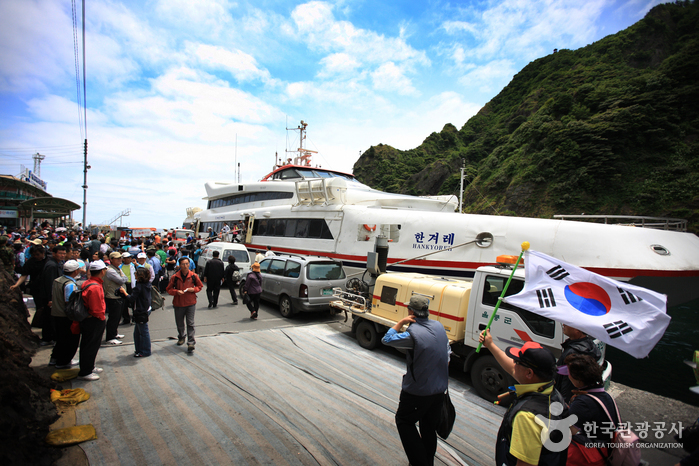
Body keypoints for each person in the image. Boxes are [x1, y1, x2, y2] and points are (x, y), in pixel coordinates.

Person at [479, 329, 568, 466]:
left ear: (529, 373)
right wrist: (490, 344)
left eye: (517, 361)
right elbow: (513, 369)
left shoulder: (527, 416)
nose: (513, 363)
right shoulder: (553, 394)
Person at [381, 296, 450, 466]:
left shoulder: (413, 334)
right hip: (439, 391)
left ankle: (420, 463)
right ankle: (428, 461)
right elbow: (447, 354)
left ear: (411, 311)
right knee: (428, 428)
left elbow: (386, 339)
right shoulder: (439, 326)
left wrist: (400, 323)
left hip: (417, 392)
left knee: (404, 421)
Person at [562, 353, 619, 466]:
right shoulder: (606, 396)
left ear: (578, 380)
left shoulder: (582, 403)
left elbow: (571, 431)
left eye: (569, 373)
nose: (568, 376)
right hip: (607, 449)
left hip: (589, 456)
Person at [554, 324, 601, 403]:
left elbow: (568, 383)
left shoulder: (574, 352)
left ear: (577, 329)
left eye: (568, 323)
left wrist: (562, 403)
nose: (564, 325)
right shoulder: (588, 344)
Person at [78, 260, 108, 381]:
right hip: (94, 320)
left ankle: (90, 366)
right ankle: (85, 371)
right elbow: (96, 308)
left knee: (91, 344)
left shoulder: (88, 282)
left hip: (90, 319)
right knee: (90, 345)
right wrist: (101, 317)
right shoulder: (95, 287)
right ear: (102, 271)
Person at [166, 257, 203, 353]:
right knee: (180, 323)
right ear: (180, 265)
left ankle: (191, 342)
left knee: (190, 323)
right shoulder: (175, 277)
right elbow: (169, 289)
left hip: (190, 303)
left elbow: (200, 286)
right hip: (178, 303)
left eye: (187, 264)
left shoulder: (194, 276)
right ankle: (181, 336)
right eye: (183, 264)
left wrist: (193, 290)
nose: (185, 266)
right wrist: (176, 291)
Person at [50, 260, 81, 369]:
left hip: (56, 313)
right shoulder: (70, 285)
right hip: (65, 316)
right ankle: (63, 361)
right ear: (76, 271)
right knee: (69, 340)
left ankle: (55, 358)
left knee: (60, 338)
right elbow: (70, 302)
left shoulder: (57, 280)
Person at [124, 267, 153, 357]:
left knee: (143, 332)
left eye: (136, 273)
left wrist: (124, 293)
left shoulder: (139, 286)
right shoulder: (147, 284)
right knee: (138, 332)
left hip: (141, 311)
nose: (134, 275)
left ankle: (145, 351)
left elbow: (132, 298)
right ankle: (139, 350)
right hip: (146, 309)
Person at [103, 252, 127, 345]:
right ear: (111, 259)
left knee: (117, 316)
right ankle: (110, 337)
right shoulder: (110, 270)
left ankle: (114, 333)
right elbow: (122, 280)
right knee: (114, 317)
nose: (119, 260)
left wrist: (123, 277)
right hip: (112, 296)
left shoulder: (117, 268)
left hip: (118, 295)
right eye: (117, 259)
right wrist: (123, 277)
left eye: (120, 258)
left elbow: (124, 278)